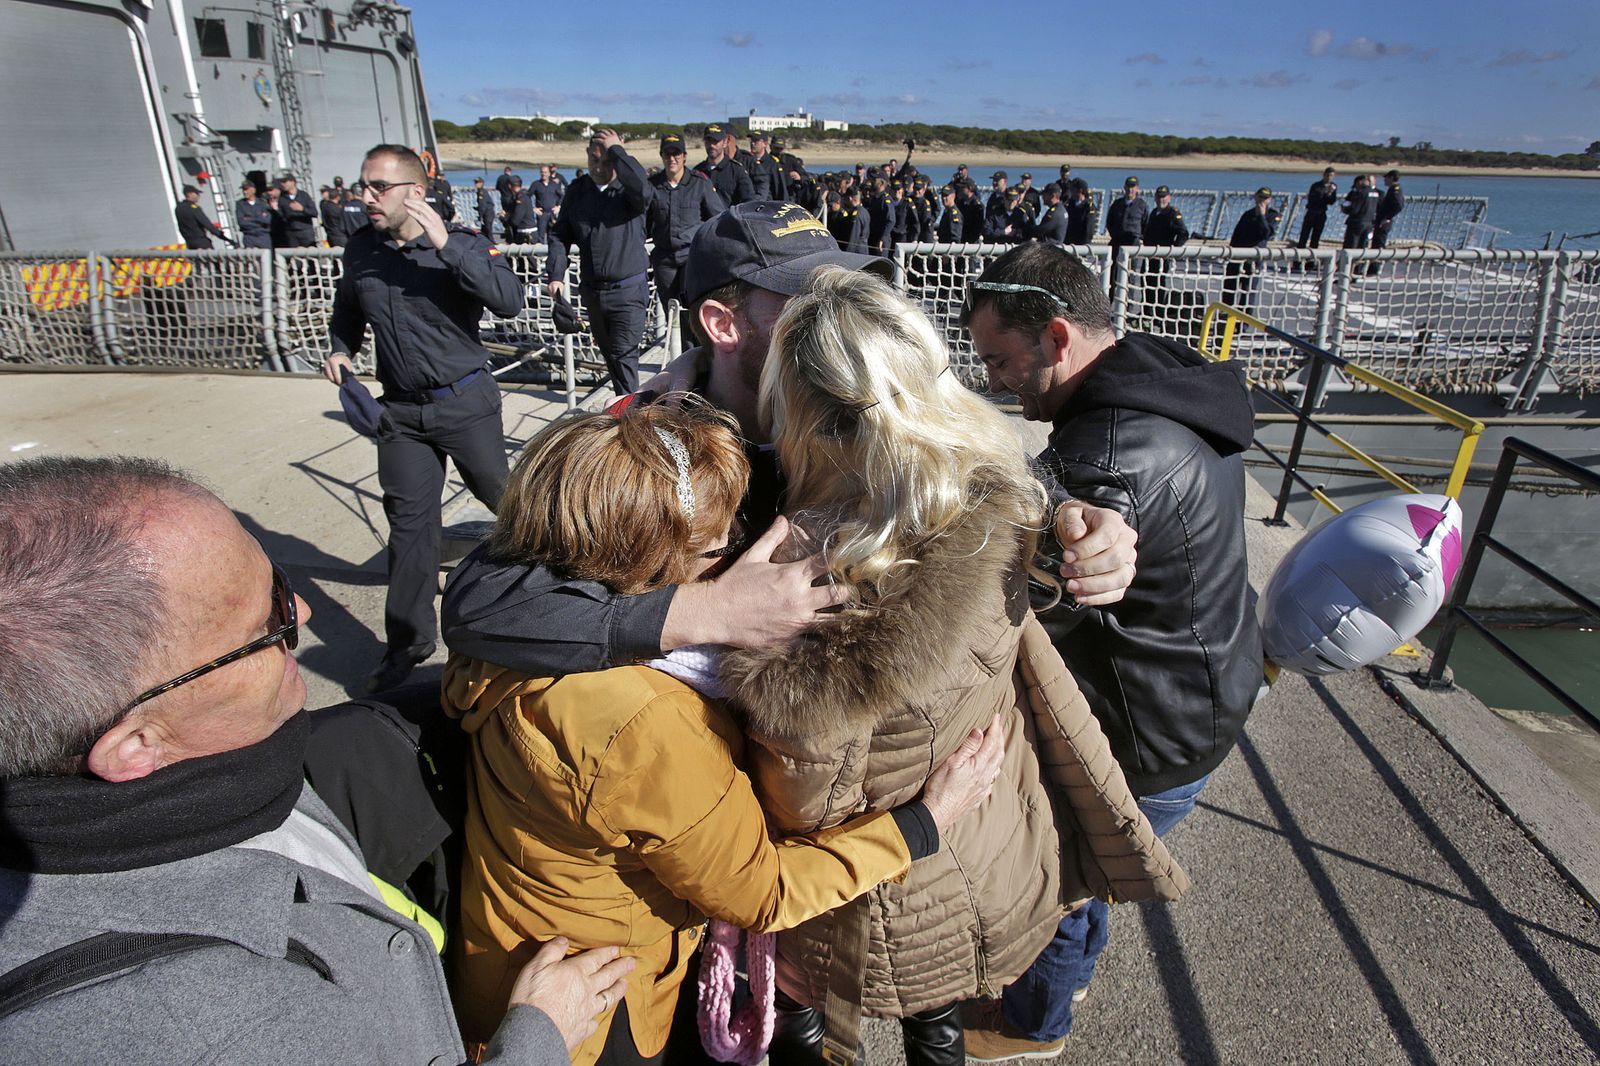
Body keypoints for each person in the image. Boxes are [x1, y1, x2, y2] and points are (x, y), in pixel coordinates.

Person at [0, 455, 631, 1064]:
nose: (301, 610)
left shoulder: (196, 777)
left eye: (277, 579)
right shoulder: (231, 1026)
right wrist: (540, 1032)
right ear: (138, 745)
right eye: (267, 625)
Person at [446, 402, 1010, 1066]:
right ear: (647, 566)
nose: (740, 549)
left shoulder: (531, 624)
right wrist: (928, 820)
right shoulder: (639, 723)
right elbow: (764, 891)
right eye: (717, 546)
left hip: (510, 945)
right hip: (594, 1008)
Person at [961, 243, 1263, 1056]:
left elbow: (1025, 597)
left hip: (1143, 728)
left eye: (1000, 358)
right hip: (1204, 693)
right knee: (1103, 868)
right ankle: (1077, 972)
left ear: (1058, 336)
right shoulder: (1163, 377)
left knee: (1061, 875)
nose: (992, 380)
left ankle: (1034, 1024)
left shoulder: (1107, 457)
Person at [322, 143, 523, 693]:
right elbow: (348, 308)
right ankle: (407, 645)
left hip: (465, 402)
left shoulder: (459, 245)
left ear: (414, 192)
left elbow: (510, 299)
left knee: (507, 500)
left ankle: (570, 581)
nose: (364, 198)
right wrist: (341, 348)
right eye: (363, 187)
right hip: (402, 413)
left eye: (377, 188)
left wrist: (447, 247)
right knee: (410, 529)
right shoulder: (362, 248)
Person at [545, 130, 652, 395]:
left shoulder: (629, 192)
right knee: (611, 357)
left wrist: (618, 150)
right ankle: (624, 410)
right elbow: (560, 235)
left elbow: (643, 188)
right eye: (594, 160)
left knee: (623, 356)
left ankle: (631, 420)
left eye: (606, 160)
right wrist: (556, 275)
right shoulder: (577, 191)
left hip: (627, 291)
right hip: (593, 292)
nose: (598, 167)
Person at [648, 134, 726, 350]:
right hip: (664, 260)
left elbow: (718, 218)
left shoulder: (699, 183)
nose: (672, 159)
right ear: (662, 156)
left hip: (691, 257)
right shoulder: (653, 186)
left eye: (676, 154)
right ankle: (680, 356)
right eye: (667, 154)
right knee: (671, 312)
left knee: (693, 309)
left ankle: (698, 355)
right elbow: (642, 223)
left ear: (684, 156)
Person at [1223, 186, 1278, 313]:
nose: (1261, 201)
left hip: (1254, 259)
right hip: (1238, 256)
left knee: (1247, 292)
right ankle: (1225, 318)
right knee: (1229, 289)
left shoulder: (1272, 215)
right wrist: (1231, 252)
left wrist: (1261, 216)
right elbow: (1236, 235)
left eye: (1265, 198)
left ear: (1269, 200)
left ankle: (1243, 324)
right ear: (1255, 197)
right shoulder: (1247, 214)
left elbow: (1267, 233)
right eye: (1260, 197)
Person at [1140, 185, 1189, 306]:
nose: (1161, 199)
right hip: (1150, 255)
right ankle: (1145, 310)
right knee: (1145, 283)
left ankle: (1157, 313)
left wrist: (1173, 249)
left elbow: (1183, 233)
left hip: (1162, 256)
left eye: (1163, 197)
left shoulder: (1172, 213)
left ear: (1169, 198)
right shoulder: (1154, 213)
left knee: (1158, 285)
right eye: (1159, 197)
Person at [1105, 176, 1147, 296]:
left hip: (1132, 244)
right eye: (1128, 187)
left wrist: (1139, 238)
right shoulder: (1117, 204)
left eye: (1133, 187)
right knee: (1112, 274)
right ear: (1124, 187)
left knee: (1130, 276)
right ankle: (1110, 301)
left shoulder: (1141, 205)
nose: (1130, 190)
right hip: (1117, 242)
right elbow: (1110, 221)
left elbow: (1145, 224)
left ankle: (1128, 304)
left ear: (1137, 189)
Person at [695, 123, 754, 207]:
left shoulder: (737, 171)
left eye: (715, 141)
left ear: (725, 142)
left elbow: (749, 201)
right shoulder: (697, 172)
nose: (711, 145)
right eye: (708, 140)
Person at [1368, 169, 1405, 276]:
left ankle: (1375, 268)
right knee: (1376, 243)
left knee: (1379, 244)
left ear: (1392, 178)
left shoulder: (1395, 190)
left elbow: (1399, 205)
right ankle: (1373, 266)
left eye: (1386, 178)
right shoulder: (1391, 189)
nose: (1385, 180)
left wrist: (1388, 217)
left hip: (1384, 222)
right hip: (1380, 220)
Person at [1298, 166, 1339, 251]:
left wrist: (1330, 192)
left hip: (1321, 213)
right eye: (1327, 175)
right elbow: (1313, 198)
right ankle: (1298, 259)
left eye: (1331, 176)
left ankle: (1311, 260)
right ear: (1324, 175)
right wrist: (1324, 194)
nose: (1329, 177)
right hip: (1311, 212)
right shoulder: (1316, 185)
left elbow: (1331, 201)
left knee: (1316, 237)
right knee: (1304, 235)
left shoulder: (1333, 186)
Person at [276, 174, 319, 247]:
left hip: (305, 232)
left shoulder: (304, 195)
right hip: (291, 233)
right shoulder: (282, 198)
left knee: (310, 254)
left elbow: (314, 212)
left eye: (285, 182)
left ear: (293, 182)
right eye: (281, 182)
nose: (282, 184)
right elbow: (281, 216)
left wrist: (302, 209)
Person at [744, 130, 787, 201]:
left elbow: (780, 189)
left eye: (756, 141)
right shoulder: (746, 160)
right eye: (751, 140)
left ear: (765, 143)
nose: (752, 143)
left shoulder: (773, 163)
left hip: (767, 205)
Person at [1342, 173, 1378, 250]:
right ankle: (1361, 261)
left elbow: (1355, 209)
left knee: (1351, 245)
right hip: (1369, 223)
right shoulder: (1375, 193)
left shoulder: (1361, 193)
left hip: (1357, 223)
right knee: (1363, 246)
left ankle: (1350, 261)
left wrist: (1344, 209)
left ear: (1359, 182)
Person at [530, 164, 564, 245]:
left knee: (552, 236)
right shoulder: (536, 184)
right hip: (542, 214)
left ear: (549, 173)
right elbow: (527, 196)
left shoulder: (554, 185)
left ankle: (551, 254)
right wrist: (533, 208)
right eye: (542, 172)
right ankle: (540, 256)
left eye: (545, 172)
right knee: (540, 236)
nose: (543, 174)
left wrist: (559, 207)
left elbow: (562, 196)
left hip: (552, 214)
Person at [235, 181, 274, 249]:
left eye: (246, 189)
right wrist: (259, 218)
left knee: (267, 257)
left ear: (253, 190)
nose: (244, 192)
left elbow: (267, 220)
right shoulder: (240, 204)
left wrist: (249, 219)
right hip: (249, 236)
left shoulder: (263, 203)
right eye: (243, 190)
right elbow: (241, 222)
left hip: (263, 236)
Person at [1064, 179, 1093, 245]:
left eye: (1072, 189)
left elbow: (1089, 228)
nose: (1070, 191)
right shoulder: (1069, 203)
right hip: (1068, 241)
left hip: (1080, 242)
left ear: (1080, 190)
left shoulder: (1088, 207)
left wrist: (1085, 244)